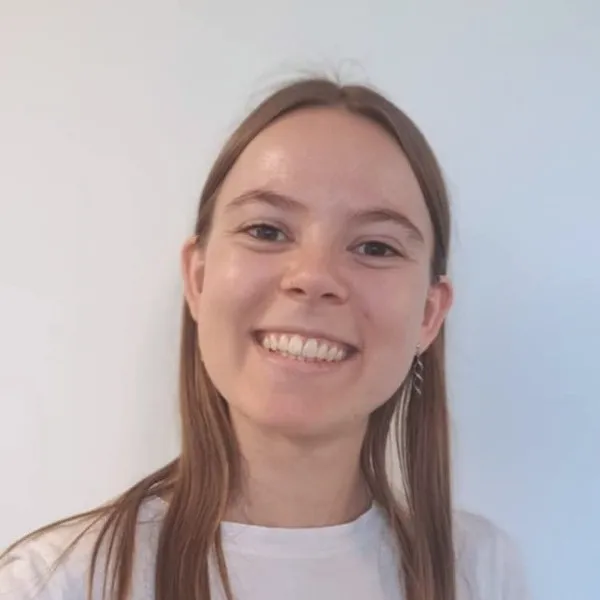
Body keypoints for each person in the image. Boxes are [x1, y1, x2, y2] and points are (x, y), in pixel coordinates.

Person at [0, 77, 529, 600]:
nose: (313, 276)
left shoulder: (479, 572)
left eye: (375, 247)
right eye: (266, 231)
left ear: (429, 314)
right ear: (198, 279)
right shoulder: (52, 584)